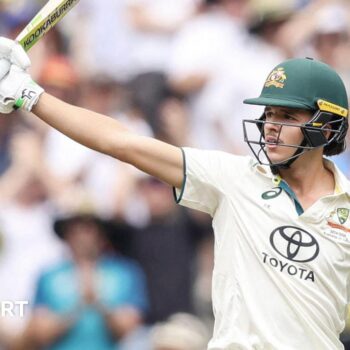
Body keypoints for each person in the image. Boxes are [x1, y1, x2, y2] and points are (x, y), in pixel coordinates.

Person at [0, 37, 349, 350]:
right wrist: (30, 95)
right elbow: (121, 142)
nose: (270, 125)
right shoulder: (236, 179)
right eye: (269, 113)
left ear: (326, 127)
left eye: (286, 115)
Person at [21, 211, 148, 350]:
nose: (81, 236)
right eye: (74, 230)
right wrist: (78, 306)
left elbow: (127, 329)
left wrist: (99, 303)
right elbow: (40, 332)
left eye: (87, 229)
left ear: (101, 235)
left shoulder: (125, 272)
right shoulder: (49, 275)